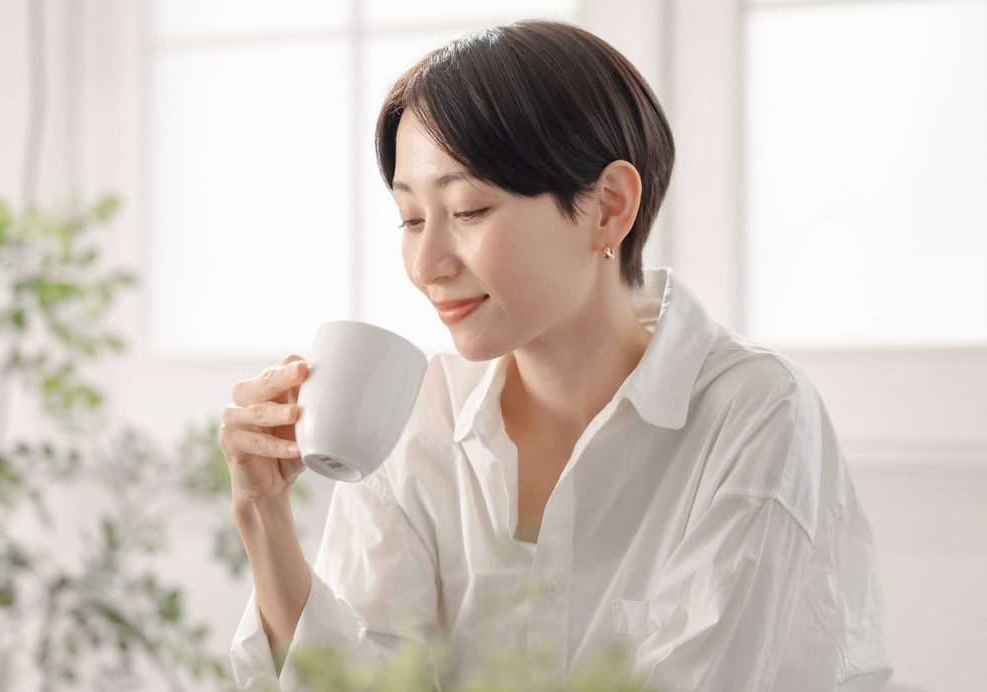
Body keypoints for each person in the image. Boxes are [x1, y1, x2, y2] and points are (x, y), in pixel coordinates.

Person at [220, 19, 892, 692]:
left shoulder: (754, 413)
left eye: (471, 210)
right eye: (412, 218)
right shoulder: (416, 415)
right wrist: (264, 516)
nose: (426, 265)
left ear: (608, 207)